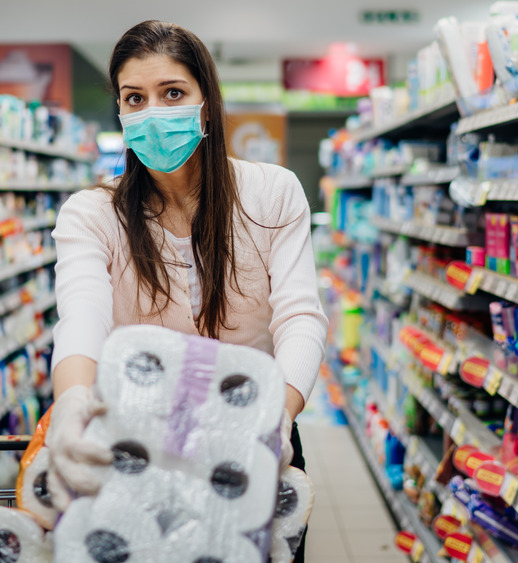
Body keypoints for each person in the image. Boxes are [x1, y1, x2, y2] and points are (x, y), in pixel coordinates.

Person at [47, 20, 328, 560]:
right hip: (140, 445)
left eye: (172, 93)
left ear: (205, 103)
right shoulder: (92, 214)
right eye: (135, 98)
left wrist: (280, 414)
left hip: (254, 433)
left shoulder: (271, 194)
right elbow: (81, 317)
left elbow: (300, 317)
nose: (153, 112)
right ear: (121, 112)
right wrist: (74, 399)